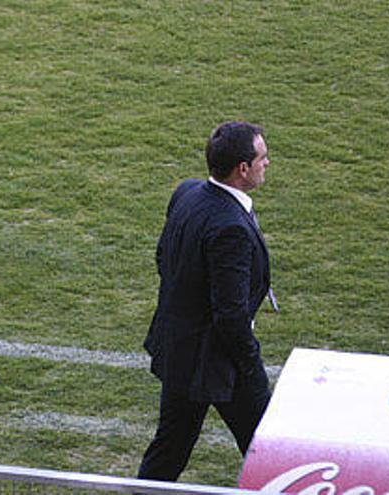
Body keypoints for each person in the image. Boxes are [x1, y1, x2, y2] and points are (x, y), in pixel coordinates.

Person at [138, 121, 277, 481]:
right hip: (220, 361)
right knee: (267, 450)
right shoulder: (230, 227)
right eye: (262, 157)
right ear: (242, 169)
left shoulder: (187, 193)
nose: (267, 163)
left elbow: (163, 258)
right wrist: (250, 364)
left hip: (182, 351)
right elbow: (230, 316)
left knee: (168, 451)